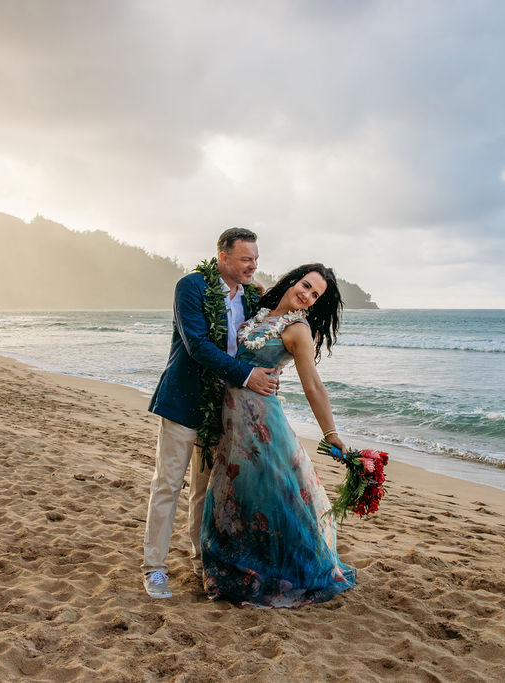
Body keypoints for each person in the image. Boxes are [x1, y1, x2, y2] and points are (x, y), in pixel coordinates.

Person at [201, 263, 356, 608]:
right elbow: (254, 286)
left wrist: (331, 433)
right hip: (234, 423)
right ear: (293, 281)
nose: (307, 295)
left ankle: (276, 573)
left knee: (272, 496)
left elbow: (313, 385)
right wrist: (248, 279)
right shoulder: (263, 310)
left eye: (315, 295)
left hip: (262, 425)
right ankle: (240, 565)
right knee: (241, 493)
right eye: (305, 285)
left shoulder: (298, 330)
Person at [143, 228, 281, 599]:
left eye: (256, 259)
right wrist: (249, 375)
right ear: (223, 257)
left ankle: (201, 560)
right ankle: (154, 569)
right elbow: (198, 346)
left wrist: (269, 367)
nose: (253, 265)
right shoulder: (191, 286)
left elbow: (263, 336)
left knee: (205, 491)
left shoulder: (250, 296)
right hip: (183, 401)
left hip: (223, 408)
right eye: (246, 259)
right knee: (168, 485)